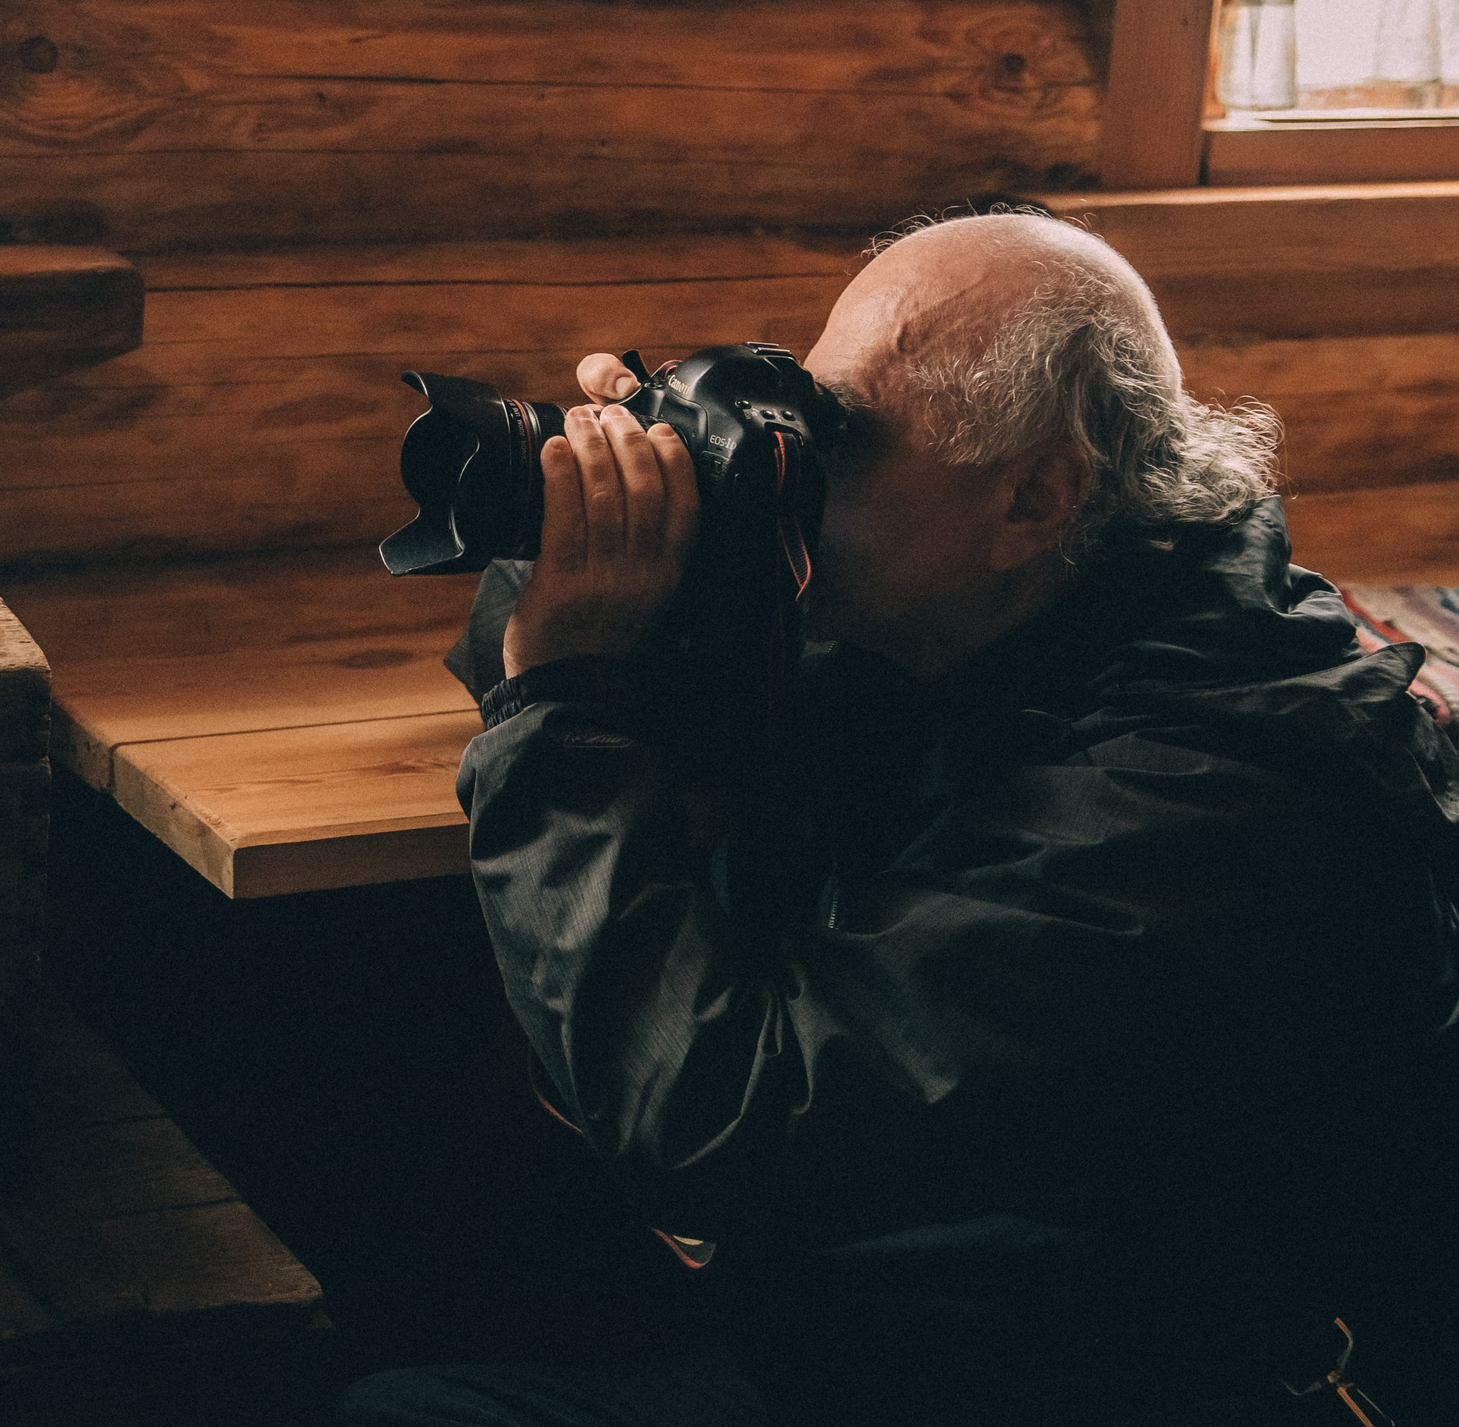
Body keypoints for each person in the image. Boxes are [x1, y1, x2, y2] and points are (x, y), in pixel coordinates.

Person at [345, 213, 1459, 1426]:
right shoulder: (980, 617)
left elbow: (727, 1122)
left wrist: (562, 702)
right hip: (925, 1316)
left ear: (1033, 496)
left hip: (1105, 1376)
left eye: (846, 431)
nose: (803, 455)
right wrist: (649, 502)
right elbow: (530, 652)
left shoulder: (1225, 786)